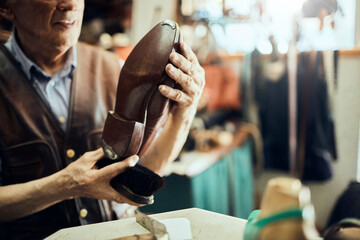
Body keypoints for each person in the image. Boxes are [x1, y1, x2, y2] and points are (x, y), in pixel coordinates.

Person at [0, 0, 205, 239]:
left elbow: (148, 168)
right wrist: (63, 186)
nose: (69, 4)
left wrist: (185, 109)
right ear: (6, 7)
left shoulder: (114, 67)